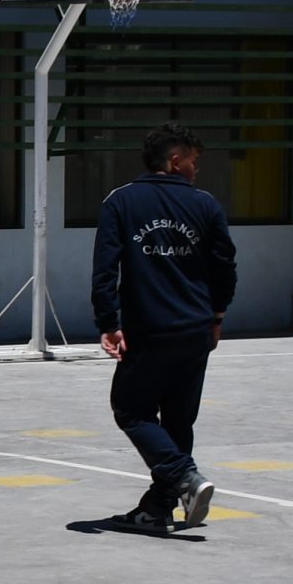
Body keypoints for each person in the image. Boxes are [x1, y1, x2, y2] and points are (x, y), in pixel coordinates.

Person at [92, 123, 236, 529]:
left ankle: (184, 478)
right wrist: (217, 316)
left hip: (149, 331)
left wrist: (108, 322)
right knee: (177, 421)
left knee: (131, 409)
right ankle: (157, 508)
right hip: (194, 329)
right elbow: (225, 267)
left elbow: (105, 269)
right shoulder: (205, 205)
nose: (196, 169)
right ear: (175, 161)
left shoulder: (120, 202)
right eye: (194, 161)